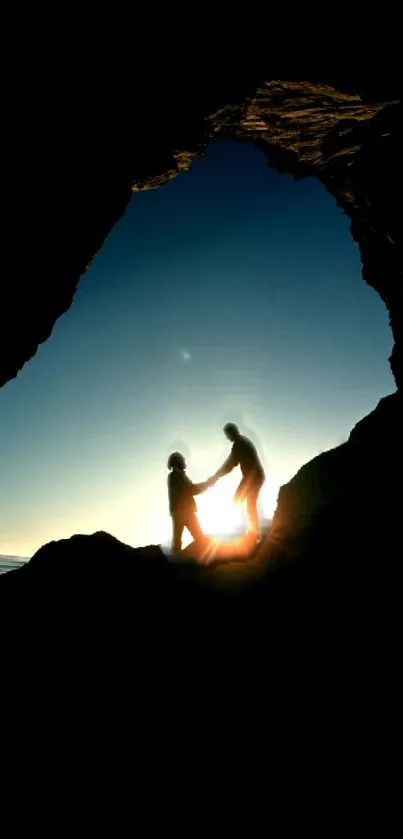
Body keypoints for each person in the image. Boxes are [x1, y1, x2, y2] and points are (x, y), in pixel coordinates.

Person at [209, 423, 265, 539]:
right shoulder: (243, 441)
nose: (226, 437)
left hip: (252, 478)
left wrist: (215, 477)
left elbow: (230, 464)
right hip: (254, 477)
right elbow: (231, 463)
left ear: (231, 432)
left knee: (238, 501)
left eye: (227, 435)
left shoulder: (239, 444)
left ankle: (248, 532)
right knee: (249, 504)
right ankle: (252, 532)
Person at [167, 451, 214, 554]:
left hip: (183, 510)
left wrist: (206, 484)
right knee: (184, 539)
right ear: (177, 461)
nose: (184, 461)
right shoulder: (176, 475)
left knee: (186, 538)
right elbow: (191, 489)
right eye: (182, 459)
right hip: (182, 511)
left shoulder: (180, 475)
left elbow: (191, 489)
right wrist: (207, 484)